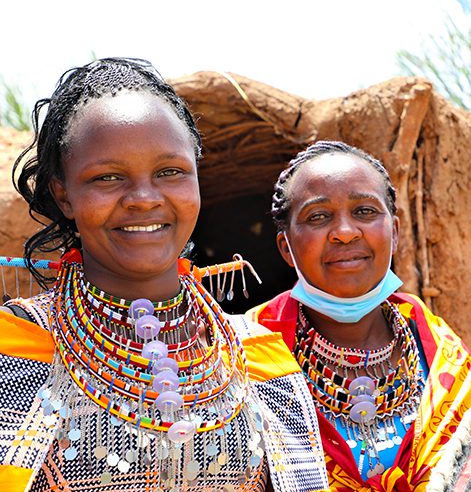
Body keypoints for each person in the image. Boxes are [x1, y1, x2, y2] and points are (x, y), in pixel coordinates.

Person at [0, 58, 328, 491]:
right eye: (108, 177)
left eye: (170, 172)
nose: (143, 198)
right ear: (64, 195)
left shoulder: (262, 359)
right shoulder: (18, 349)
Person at [246, 141, 471, 491]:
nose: (345, 232)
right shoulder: (248, 352)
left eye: (365, 212)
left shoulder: (439, 348)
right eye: (318, 217)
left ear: (396, 232)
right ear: (287, 247)